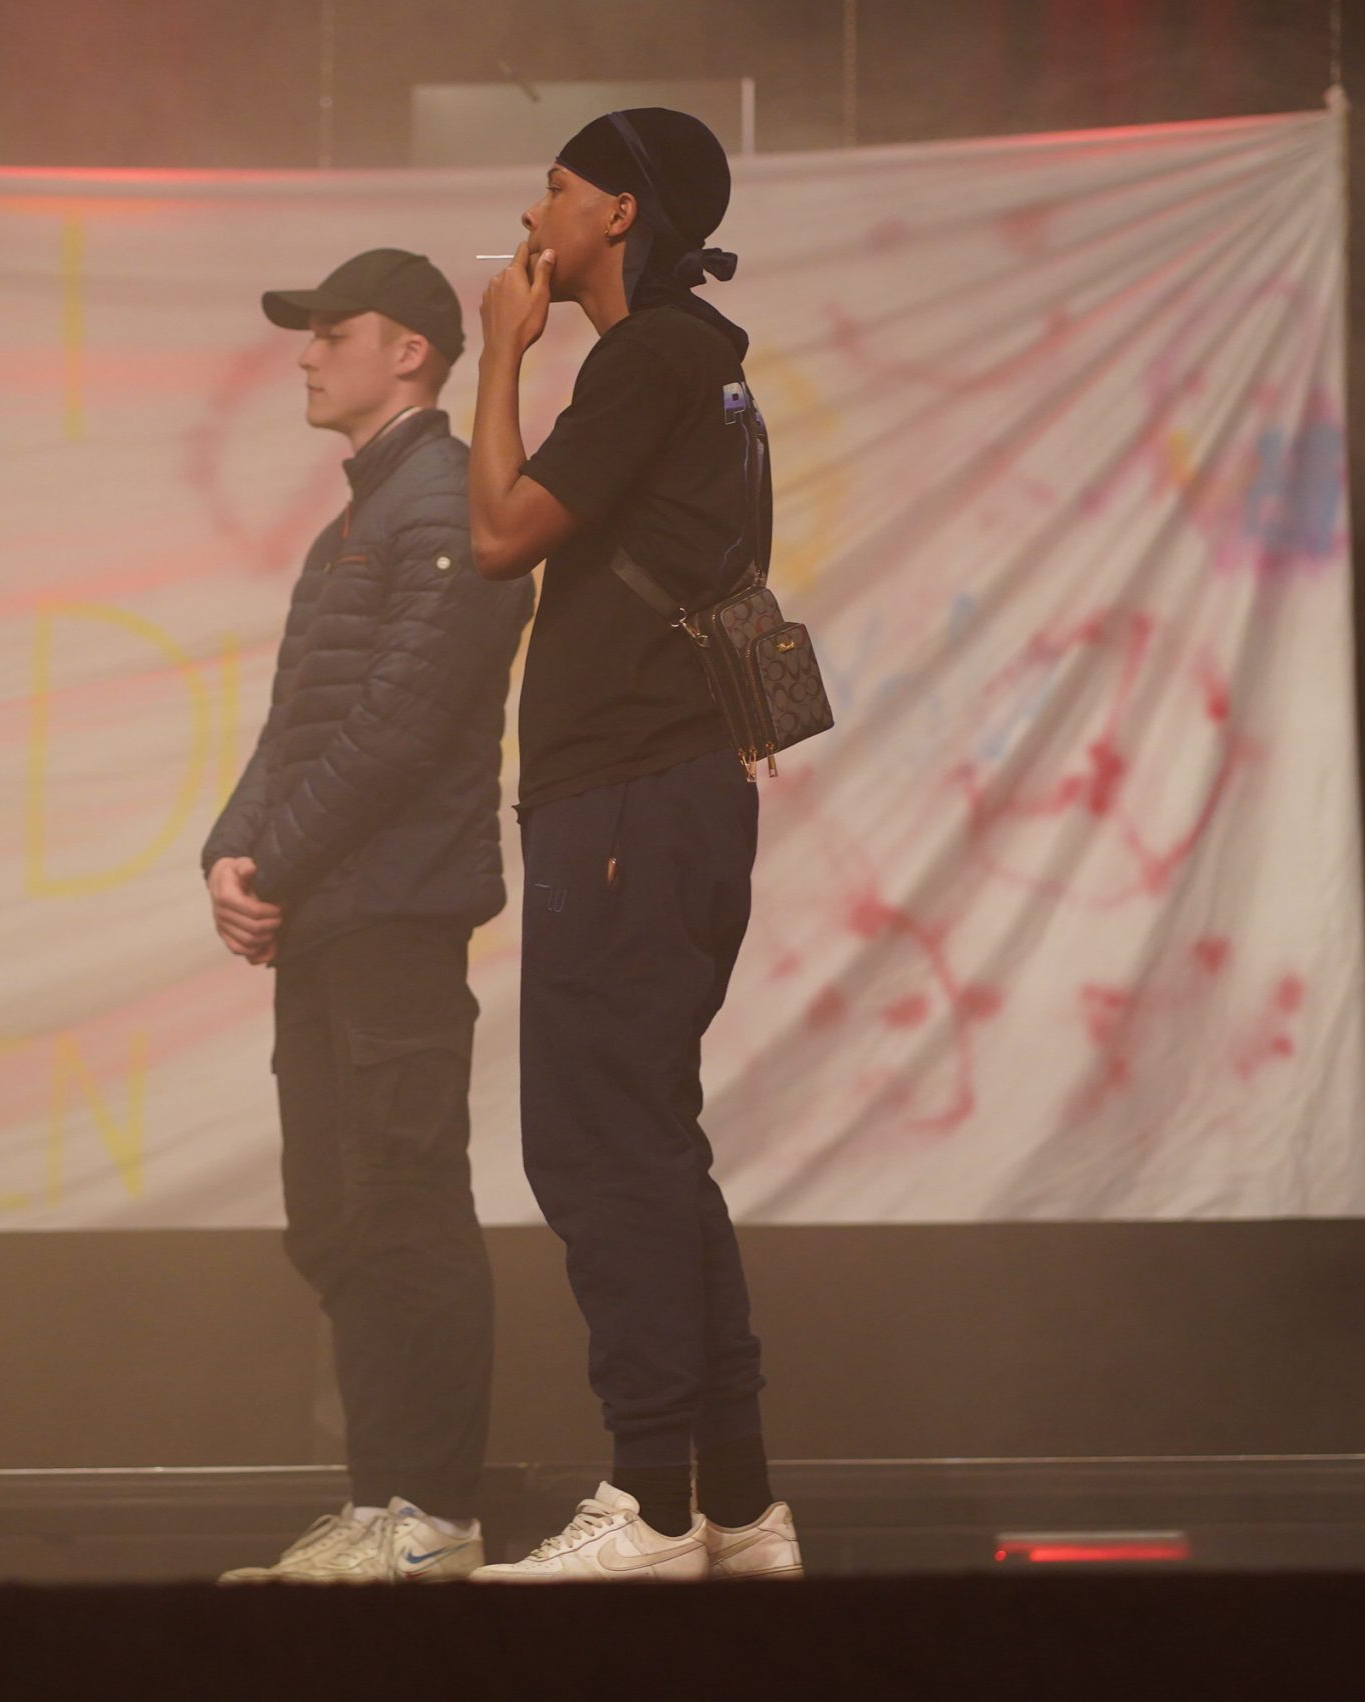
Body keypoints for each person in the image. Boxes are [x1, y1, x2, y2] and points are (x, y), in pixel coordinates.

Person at [463, 110, 802, 1583]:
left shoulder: (650, 356)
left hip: (625, 795)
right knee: (652, 1139)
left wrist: (499, 354)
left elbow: (498, 533)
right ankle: (738, 1505)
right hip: (665, 796)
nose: (531, 214)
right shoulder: (704, 367)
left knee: (597, 1141)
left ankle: (652, 1503)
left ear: (617, 213)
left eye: (555, 187)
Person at [202, 248, 533, 1583]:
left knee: (404, 1205)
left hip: (396, 912)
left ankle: (432, 1514)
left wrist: (273, 865)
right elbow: (300, 723)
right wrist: (233, 850)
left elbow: (400, 725)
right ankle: (380, 1502)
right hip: (335, 912)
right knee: (336, 1219)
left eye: (333, 331)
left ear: (411, 351)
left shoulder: (447, 499)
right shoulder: (360, 521)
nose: (306, 353)